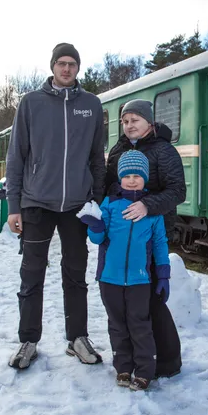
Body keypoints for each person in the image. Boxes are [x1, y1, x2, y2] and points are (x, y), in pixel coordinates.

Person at [5, 42, 106, 370]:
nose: (66, 69)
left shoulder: (91, 105)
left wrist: (96, 199)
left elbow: (96, 157)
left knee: (75, 275)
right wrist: (14, 205)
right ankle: (28, 341)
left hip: (77, 204)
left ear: (78, 68)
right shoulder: (31, 103)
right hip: (36, 203)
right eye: (61, 63)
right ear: (52, 67)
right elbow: (16, 155)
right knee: (31, 274)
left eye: (72, 64)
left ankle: (77, 338)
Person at [105, 99, 186, 378]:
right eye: (125, 121)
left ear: (148, 122)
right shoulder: (119, 150)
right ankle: (130, 360)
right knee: (124, 302)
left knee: (150, 299)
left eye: (135, 120)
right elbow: (108, 184)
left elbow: (178, 191)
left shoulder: (164, 151)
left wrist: (147, 205)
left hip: (151, 235)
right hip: (120, 236)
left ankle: (167, 360)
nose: (129, 126)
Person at [79, 151, 170, 391]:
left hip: (140, 280)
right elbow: (98, 239)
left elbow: (160, 243)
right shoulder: (110, 204)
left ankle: (144, 371)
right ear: (119, 178)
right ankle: (123, 367)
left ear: (145, 178)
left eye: (137, 176)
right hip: (110, 279)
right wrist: (96, 226)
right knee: (117, 325)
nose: (131, 180)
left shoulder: (151, 210)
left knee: (140, 325)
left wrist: (163, 275)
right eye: (127, 175)